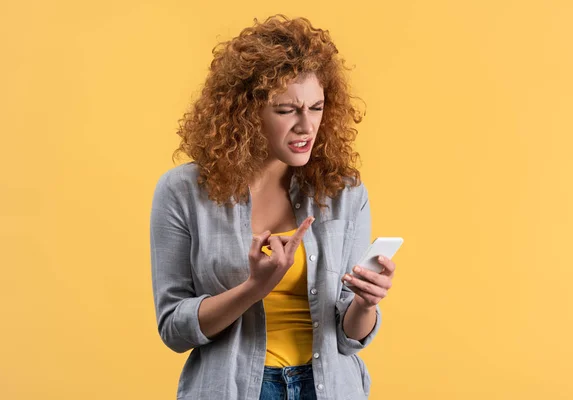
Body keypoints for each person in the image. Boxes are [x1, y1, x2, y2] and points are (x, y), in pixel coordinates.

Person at [150, 14, 396, 400]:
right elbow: (174, 329)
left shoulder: (343, 191)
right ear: (245, 113)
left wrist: (366, 302)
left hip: (329, 389)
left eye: (316, 108)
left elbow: (350, 338)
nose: (306, 126)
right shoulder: (183, 192)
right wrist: (254, 288)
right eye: (286, 110)